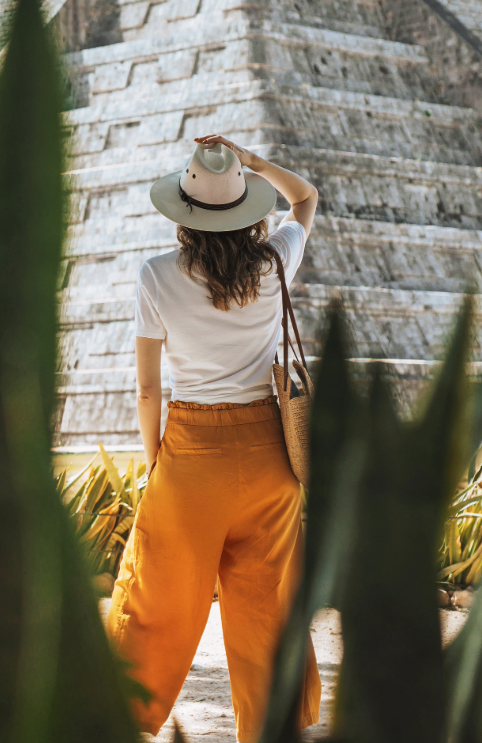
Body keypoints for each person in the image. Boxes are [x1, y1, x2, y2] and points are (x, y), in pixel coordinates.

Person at [106, 134, 322, 742]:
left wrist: (158, 462)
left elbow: (149, 391)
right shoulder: (276, 260)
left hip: (189, 456)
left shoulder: (156, 276)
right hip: (268, 460)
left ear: (185, 213)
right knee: (267, 612)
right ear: (248, 210)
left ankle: (115, 714)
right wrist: (252, 163)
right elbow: (304, 198)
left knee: (156, 602)